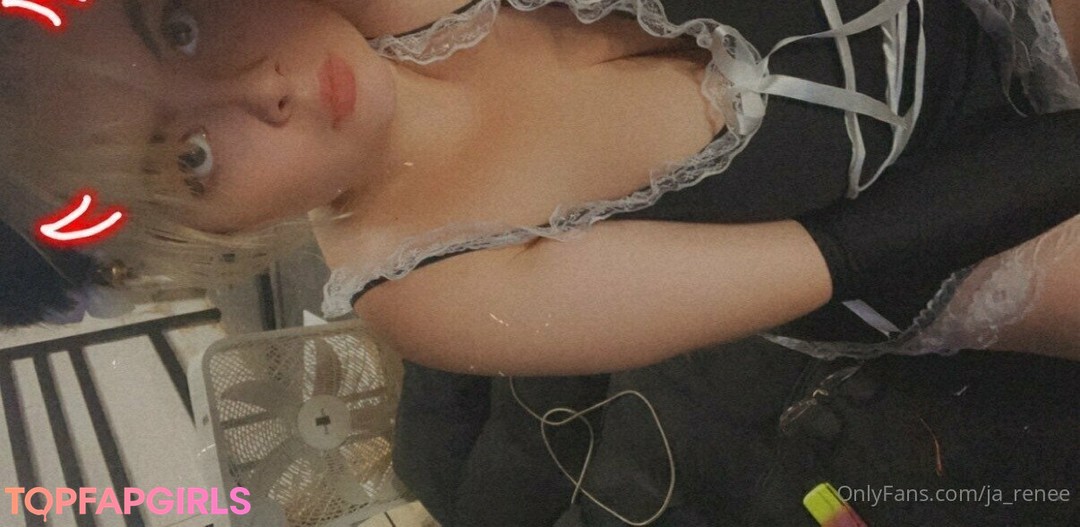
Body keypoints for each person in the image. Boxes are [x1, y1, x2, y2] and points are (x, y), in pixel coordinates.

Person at [0, 0, 1076, 367]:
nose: (259, 88)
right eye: (190, 155)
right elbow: (860, 245)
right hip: (935, 232)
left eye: (181, 26)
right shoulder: (427, 286)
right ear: (204, 239)